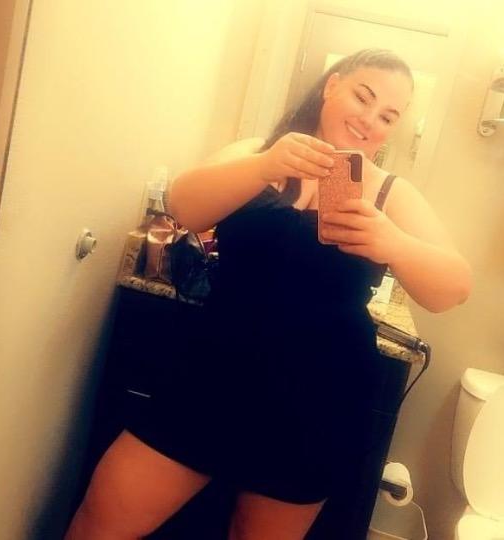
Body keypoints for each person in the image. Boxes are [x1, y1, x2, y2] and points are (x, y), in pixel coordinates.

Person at [65, 49, 472, 539]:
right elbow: (183, 205)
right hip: (211, 371)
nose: (370, 120)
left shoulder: (388, 193)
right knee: (100, 521)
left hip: (315, 398)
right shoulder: (257, 153)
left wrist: (393, 242)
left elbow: (454, 288)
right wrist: (265, 165)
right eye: (363, 97)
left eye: (388, 116)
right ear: (332, 86)